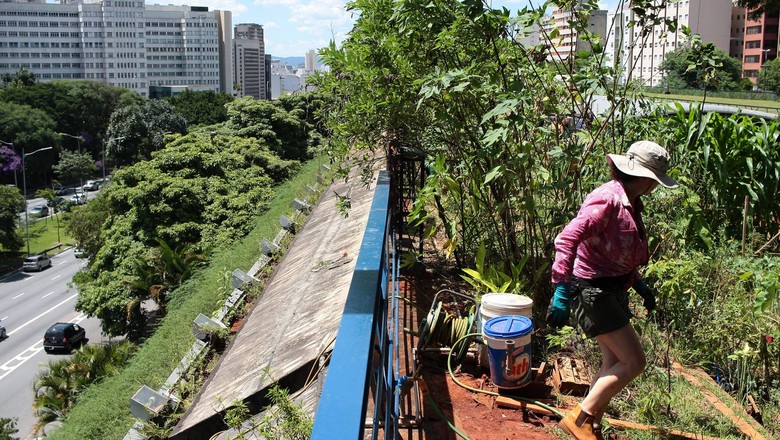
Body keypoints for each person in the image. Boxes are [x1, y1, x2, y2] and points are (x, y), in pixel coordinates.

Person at [547, 140, 679, 439]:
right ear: (647, 179)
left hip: (611, 288)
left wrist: (638, 283)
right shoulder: (607, 200)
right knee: (634, 362)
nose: (655, 188)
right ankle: (578, 420)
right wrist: (561, 289)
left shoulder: (631, 202)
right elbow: (567, 240)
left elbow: (616, 251)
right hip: (592, 291)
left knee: (613, 363)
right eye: (655, 182)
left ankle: (593, 425)